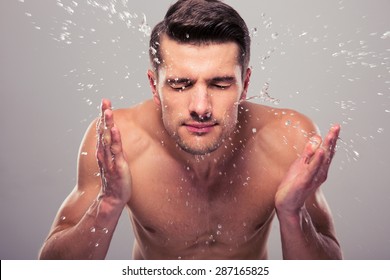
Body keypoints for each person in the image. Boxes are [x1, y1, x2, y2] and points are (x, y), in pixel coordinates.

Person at [39, 0, 342, 260]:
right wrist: (108, 203)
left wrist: (293, 213)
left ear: (245, 84)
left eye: (220, 84)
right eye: (180, 84)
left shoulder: (289, 139)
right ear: (154, 86)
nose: (200, 106)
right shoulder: (118, 140)